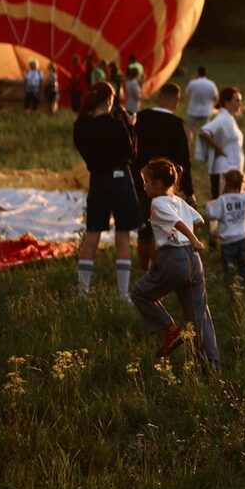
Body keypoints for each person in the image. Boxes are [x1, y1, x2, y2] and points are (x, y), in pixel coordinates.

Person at [131, 158, 219, 368]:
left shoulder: (158, 202)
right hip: (193, 260)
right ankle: (211, 366)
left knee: (140, 293)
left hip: (173, 258)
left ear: (159, 184)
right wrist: (188, 237)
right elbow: (199, 220)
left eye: (146, 181)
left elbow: (179, 223)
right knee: (199, 315)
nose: (144, 186)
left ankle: (171, 331)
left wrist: (192, 238)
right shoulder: (178, 201)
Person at [72, 80, 140, 300]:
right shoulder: (116, 125)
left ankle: (83, 292)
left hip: (98, 181)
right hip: (120, 180)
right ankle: (123, 293)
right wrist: (131, 127)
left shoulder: (80, 126)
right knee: (123, 235)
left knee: (92, 236)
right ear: (110, 100)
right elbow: (131, 155)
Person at [133, 81, 195, 270]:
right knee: (161, 230)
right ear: (177, 101)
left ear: (159, 97)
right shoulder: (177, 125)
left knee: (144, 230)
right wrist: (189, 191)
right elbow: (184, 160)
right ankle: (157, 270)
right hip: (166, 184)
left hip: (142, 181)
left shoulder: (141, 118)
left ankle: (144, 270)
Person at [204, 169, 245, 285]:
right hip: (242, 236)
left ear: (225, 182)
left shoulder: (222, 200)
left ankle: (230, 283)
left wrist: (207, 207)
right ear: (243, 182)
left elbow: (214, 215)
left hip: (227, 238)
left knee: (229, 263)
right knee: (243, 262)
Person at [198, 86, 245, 199]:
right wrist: (218, 149)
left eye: (240, 100)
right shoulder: (222, 118)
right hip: (224, 169)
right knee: (223, 203)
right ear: (227, 102)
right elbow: (203, 132)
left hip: (231, 168)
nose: (240, 103)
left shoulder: (229, 118)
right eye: (237, 100)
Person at [185, 66, 219, 157]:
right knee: (205, 132)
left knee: (189, 130)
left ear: (197, 72)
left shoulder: (193, 83)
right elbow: (215, 97)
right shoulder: (211, 84)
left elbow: (187, 92)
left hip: (193, 111)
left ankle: (188, 148)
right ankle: (206, 151)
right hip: (206, 111)